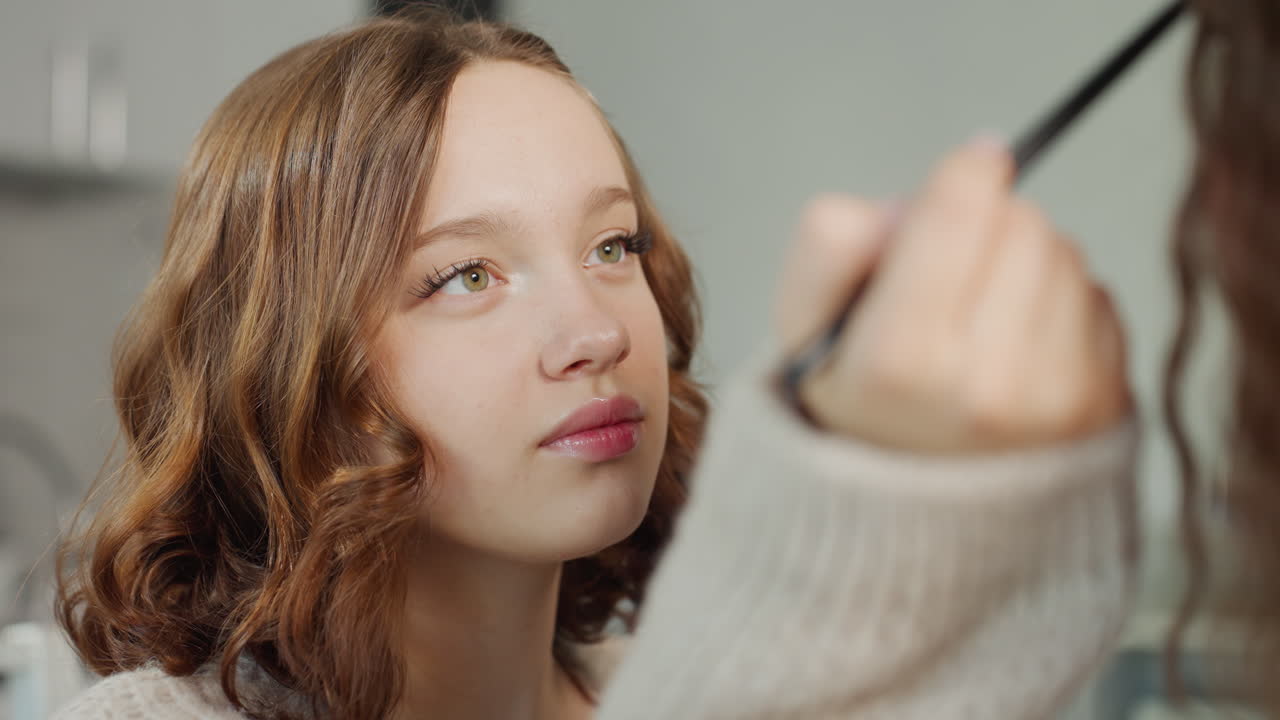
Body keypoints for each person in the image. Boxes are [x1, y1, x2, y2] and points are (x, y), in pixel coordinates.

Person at [51, 8, 1137, 719]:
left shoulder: (659, 691)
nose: (600, 331)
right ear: (288, 364)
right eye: (466, 275)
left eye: (612, 247)